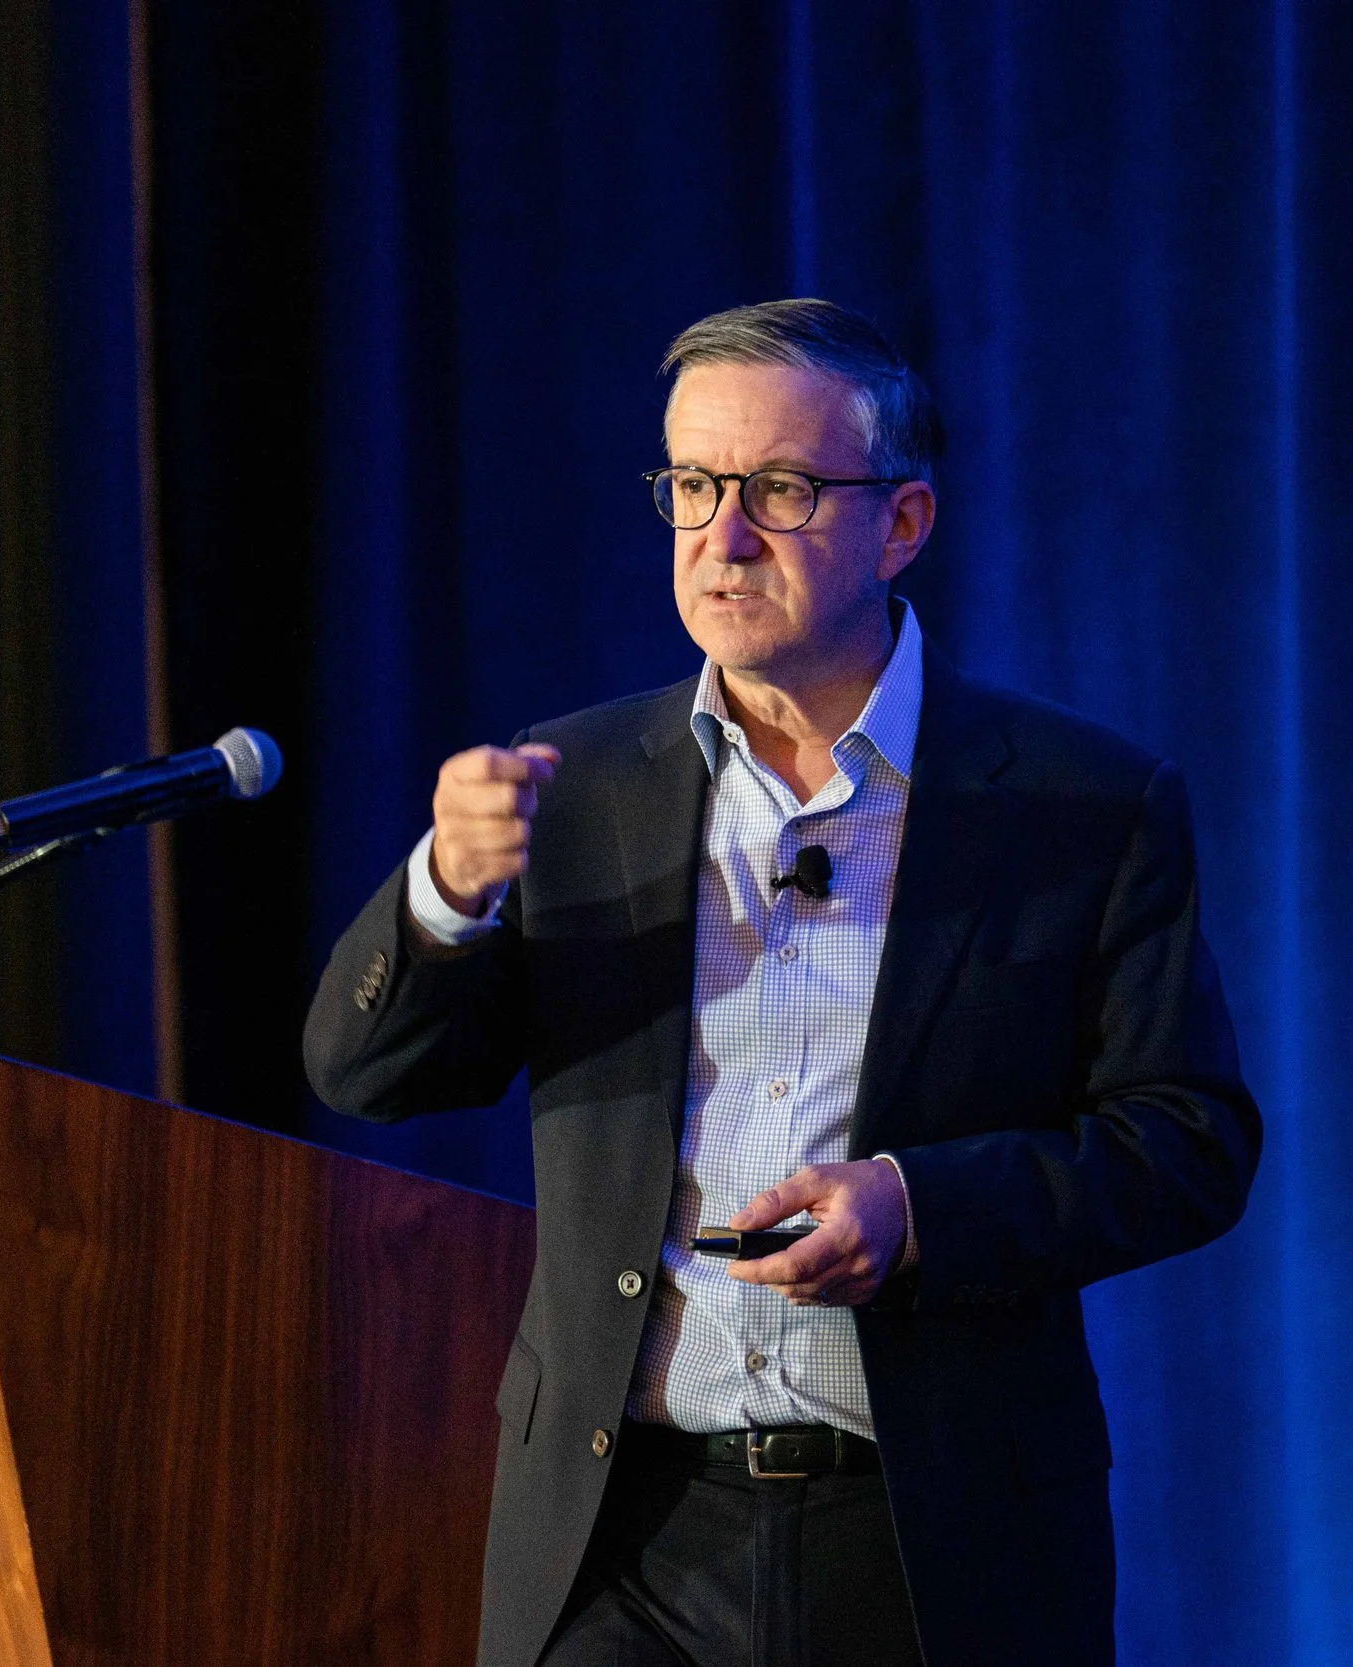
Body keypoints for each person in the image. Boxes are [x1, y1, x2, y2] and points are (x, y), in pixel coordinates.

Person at [303, 299, 1260, 1667]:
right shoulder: (575, 787)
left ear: (905, 522)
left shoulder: (1075, 802)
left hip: (926, 1537)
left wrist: (921, 1207)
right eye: (691, 485)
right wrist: (447, 891)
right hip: (623, 1538)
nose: (723, 535)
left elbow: (1188, 1142)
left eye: (782, 490)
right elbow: (369, 1071)